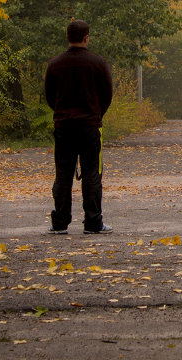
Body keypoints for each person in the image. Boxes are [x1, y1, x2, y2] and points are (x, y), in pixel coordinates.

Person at [44, 19, 114, 234]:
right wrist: (96, 113)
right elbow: (107, 94)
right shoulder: (98, 63)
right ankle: (93, 222)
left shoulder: (55, 64)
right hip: (90, 126)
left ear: (68, 37)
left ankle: (60, 223)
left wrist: (61, 112)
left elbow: (49, 95)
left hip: (64, 126)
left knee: (63, 174)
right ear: (86, 37)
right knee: (92, 173)